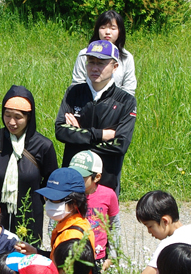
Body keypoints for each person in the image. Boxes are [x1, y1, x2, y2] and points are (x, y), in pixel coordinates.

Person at [54, 40, 138, 193]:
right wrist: (100, 135)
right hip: (72, 179)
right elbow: (60, 130)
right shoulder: (74, 93)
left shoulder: (126, 101)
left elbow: (120, 144)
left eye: (101, 63)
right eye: (90, 62)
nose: (94, 68)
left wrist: (79, 138)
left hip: (106, 182)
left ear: (115, 67)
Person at [0, 86, 57, 240]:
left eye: (18, 117)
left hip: (30, 216)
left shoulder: (43, 146)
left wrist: (34, 201)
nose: (11, 122)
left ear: (29, 117)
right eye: (7, 115)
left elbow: (50, 180)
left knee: (27, 257)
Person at [29, 169, 94, 272]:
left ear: (75, 202)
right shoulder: (72, 221)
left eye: (55, 199)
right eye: (47, 198)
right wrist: (36, 252)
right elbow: (59, 259)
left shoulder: (72, 236)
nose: (49, 203)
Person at [69, 10, 138, 96]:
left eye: (113, 28)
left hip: (116, 105)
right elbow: (77, 84)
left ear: (120, 31)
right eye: (103, 27)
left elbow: (129, 90)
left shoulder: (126, 57)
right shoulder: (84, 54)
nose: (107, 32)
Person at [70, 151, 119, 262]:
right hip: (73, 254)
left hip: (98, 255)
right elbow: (54, 225)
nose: (75, 179)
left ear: (96, 177)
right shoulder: (67, 194)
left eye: (81, 176)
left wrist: (112, 256)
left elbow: (114, 225)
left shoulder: (108, 195)